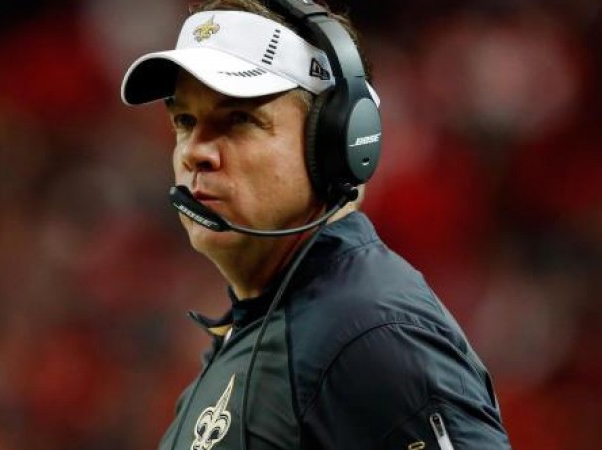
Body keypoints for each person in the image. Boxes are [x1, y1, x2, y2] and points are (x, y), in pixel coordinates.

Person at [120, 0, 513, 449]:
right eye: (185, 121)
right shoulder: (268, 333)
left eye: (239, 120)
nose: (195, 152)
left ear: (336, 142)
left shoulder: (371, 334)